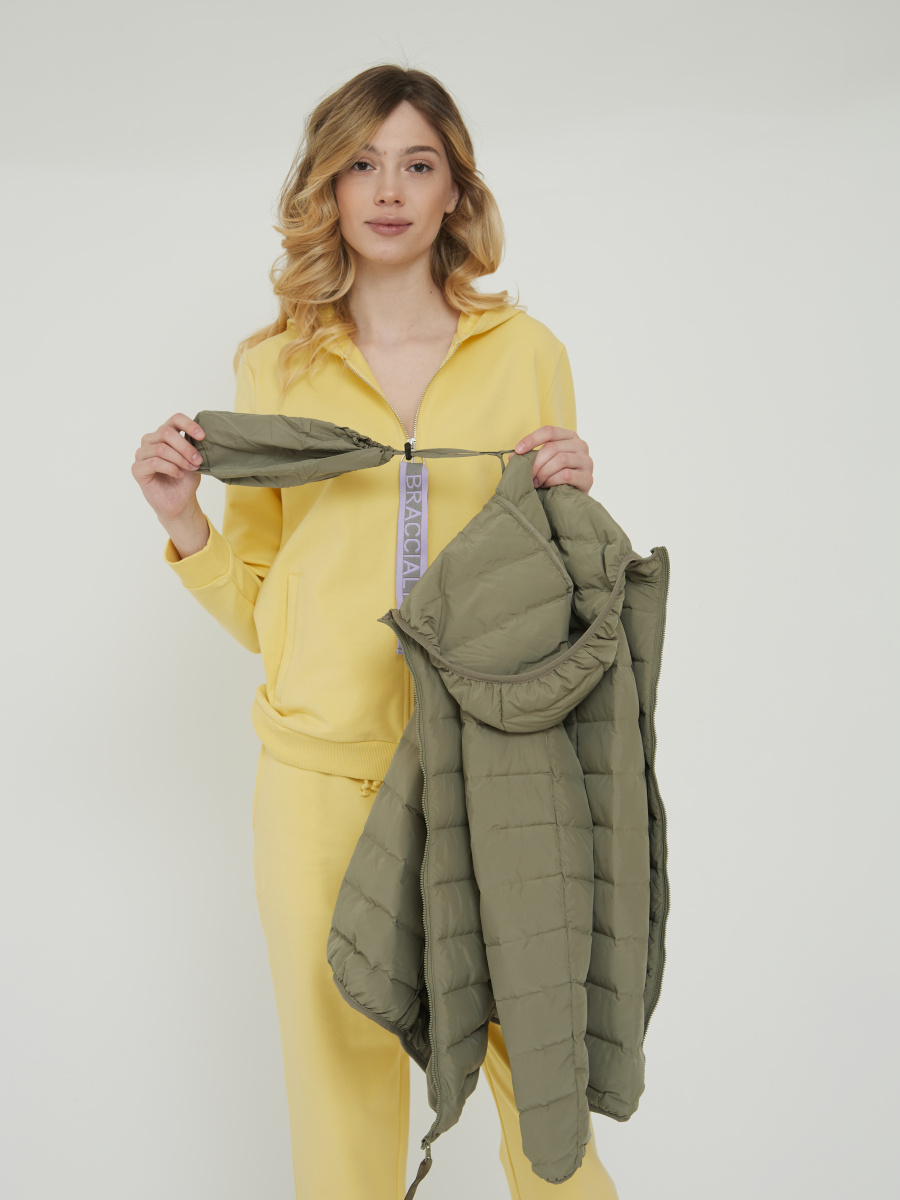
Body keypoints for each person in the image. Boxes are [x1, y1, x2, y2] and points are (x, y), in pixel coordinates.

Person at [132, 64, 614, 1200]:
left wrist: (578, 490)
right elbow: (264, 606)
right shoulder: (275, 366)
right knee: (340, 1088)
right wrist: (184, 521)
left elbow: (555, 590)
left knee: (539, 1077)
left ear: (455, 192)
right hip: (319, 778)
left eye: (417, 163)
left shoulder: (528, 353)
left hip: (493, 766)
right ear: (328, 189)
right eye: (361, 163)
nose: (388, 189)